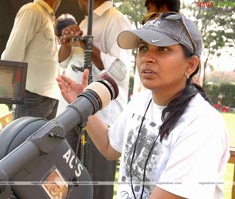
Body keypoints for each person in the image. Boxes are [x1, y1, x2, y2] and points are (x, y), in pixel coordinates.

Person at [57, 14, 230, 198]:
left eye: (162, 49)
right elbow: (109, 146)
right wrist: (83, 105)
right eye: (143, 47)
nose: (147, 57)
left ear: (191, 65)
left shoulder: (202, 126)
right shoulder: (141, 101)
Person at [58, 0, 132, 198]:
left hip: (100, 119)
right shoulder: (85, 23)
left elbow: (120, 71)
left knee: (95, 186)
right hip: (73, 114)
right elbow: (64, 60)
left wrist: (87, 44)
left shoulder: (115, 20)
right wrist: (66, 43)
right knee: (69, 182)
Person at [1, 0, 62, 120]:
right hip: (32, 95)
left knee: (43, 139)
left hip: (49, 96)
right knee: (24, 138)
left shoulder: (48, 16)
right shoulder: (32, 11)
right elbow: (12, 54)